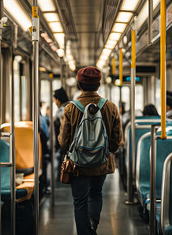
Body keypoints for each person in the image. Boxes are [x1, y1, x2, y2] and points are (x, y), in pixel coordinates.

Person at [59, 66, 124, 235]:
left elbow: (64, 141)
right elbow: (117, 141)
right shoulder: (110, 107)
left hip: (78, 165)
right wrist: (104, 151)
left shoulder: (70, 108)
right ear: (98, 84)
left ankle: (85, 232)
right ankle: (92, 226)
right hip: (101, 163)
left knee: (80, 201)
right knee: (96, 194)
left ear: (79, 84)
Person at [53, 87, 70, 180]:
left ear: (58, 100)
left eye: (55, 100)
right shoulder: (68, 108)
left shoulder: (62, 111)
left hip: (62, 144)